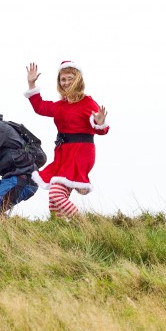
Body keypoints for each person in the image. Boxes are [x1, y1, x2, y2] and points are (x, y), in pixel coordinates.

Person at [25, 61, 109, 218]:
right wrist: (31, 83)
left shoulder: (88, 102)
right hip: (63, 153)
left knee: (56, 193)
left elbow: (103, 130)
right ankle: (59, 228)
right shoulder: (60, 106)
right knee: (53, 199)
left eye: (70, 78)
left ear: (77, 79)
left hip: (80, 153)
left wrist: (99, 122)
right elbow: (40, 107)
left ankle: (84, 224)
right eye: (63, 79)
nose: (66, 82)